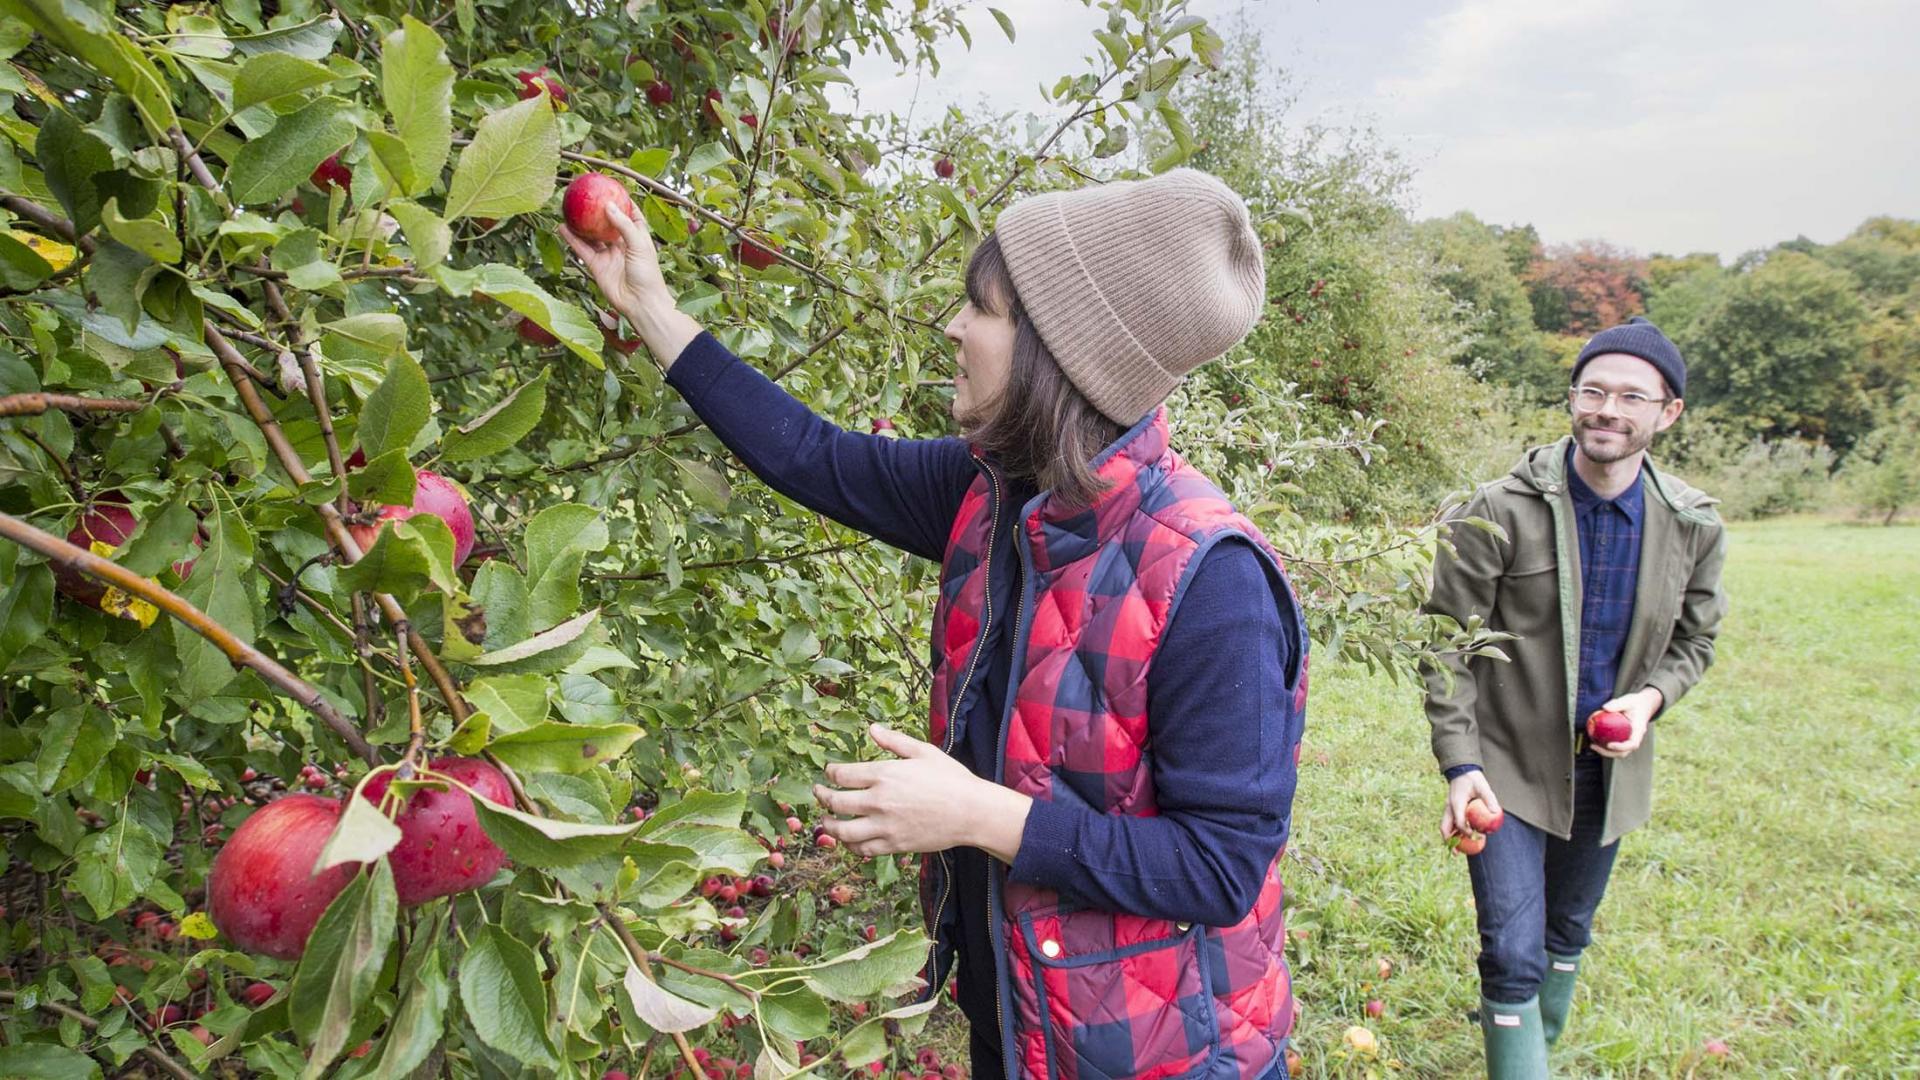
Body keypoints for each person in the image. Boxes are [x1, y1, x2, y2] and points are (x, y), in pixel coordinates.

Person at [562, 169, 1308, 1080]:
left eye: (982, 309)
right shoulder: (993, 492)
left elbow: (1221, 867)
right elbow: (811, 454)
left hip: (1168, 1054)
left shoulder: (1211, 577)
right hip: (1027, 1020)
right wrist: (651, 306)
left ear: (1058, 350)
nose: (954, 327)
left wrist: (977, 813)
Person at [1423, 317, 1729, 1077]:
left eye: (1632, 395)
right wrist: (1461, 766)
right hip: (1507, 768)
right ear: (1572, 399)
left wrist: (1649, 703)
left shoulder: (1692, 525)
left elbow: (1696, 641)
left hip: (1609, 770)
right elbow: (1444, 645)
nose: (1607, 410)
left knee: (1568, 929)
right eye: (1593, 390)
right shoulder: (1496, 509)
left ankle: (1539, 1043)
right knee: (1513, 946)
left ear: (1668, 412)